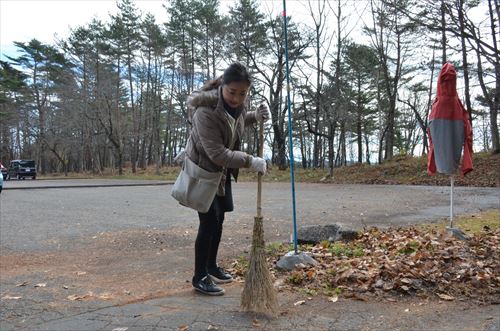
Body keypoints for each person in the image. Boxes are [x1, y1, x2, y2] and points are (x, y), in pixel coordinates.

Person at [184, 62, 269, 295]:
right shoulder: (205, 111)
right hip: (204, 172)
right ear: (222, 86)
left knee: (219, 220)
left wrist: (255, 116)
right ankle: (199, 276)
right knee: (209, 222)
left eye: (243, 93)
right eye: (232, 92)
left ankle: (211, 266)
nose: (236, 98)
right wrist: (250, 161)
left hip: (221, 174)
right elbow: (217, 153)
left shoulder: (238, 106)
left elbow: (237, 121)